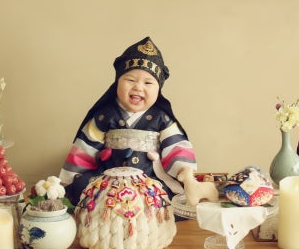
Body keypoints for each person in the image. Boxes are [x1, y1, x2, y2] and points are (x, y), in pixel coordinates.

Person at [59, 36, 197, 205]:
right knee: (85, 191)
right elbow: (83, 152)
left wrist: (185, 173)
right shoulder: (104, 116)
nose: (138, 87)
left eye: (148, 83)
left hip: (148, 180)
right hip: (107, 180)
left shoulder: (161, 119)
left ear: (159, 90)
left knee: (158, 199)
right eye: (130, 80)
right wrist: (68, 182)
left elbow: (176, 149)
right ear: (117, 82)